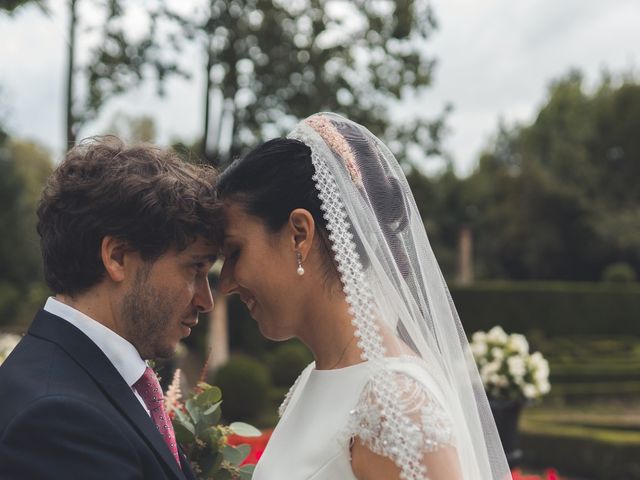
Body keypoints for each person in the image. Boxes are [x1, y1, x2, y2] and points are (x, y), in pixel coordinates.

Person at [216, 113, 512, 479]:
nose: (226, 282)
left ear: (298, 234)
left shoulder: (395, 407)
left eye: (234, 252)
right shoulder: (311, 381)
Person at [0, 137, 221, 479]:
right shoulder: (56, 421)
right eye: (195, 269)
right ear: (117, 256)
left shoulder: (80, 379)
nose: (206, 300)